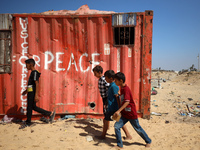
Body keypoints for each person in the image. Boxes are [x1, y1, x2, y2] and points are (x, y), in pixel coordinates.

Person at [113, 72, 152, 148]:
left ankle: (148, 141)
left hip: (131, 114)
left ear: (121, 80)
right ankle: (120, 145)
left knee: (138, 129)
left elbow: (127, 102)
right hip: (125, 115)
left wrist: (118, 111)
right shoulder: (122, 89)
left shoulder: (126, 89)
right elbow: (123, 100)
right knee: (116, 127)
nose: (115, 82)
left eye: (116, 80)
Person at [19, 58, 55, 129]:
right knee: (33, 107)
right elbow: (31, 85)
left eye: (27, 65)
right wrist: (26, 91)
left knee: (29, 107)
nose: (26, 66)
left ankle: (28, 122)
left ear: (31, 65)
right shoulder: (32, 72)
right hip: (30, 92)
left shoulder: (35, 72)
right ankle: (50, 113)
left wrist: (36, 95)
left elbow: (36, 83)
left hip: (32, 93)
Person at [97, 70, 132, 140]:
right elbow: (110, 96)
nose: (105, 80)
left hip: (113, 108)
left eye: (106, 78)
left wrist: (119, 109)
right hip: (111, 107)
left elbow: (117, 97)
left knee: (106, 120)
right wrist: (106, 103)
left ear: (110, 78)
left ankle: (103, 136)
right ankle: (128, 135)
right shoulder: (111, 85)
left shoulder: (114, 86)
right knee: (118, 121)